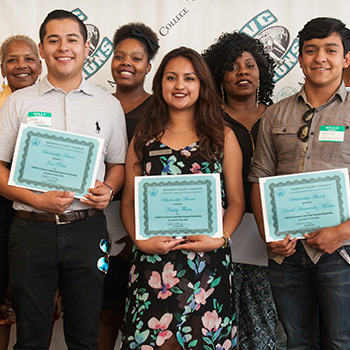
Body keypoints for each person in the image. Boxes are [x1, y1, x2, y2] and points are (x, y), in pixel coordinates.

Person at [0, 9, 127, 350]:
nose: (63, 47)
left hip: (86, 229)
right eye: (53, 40)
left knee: (85, 337)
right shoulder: (18, 102)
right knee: (30, 338)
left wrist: (109, 188)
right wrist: (37, 199)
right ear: (42, 49)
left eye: (72, 39)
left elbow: (118, 164)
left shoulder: (108, 104)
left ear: (87, 48)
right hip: (31, 229)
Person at [120, 46, 245, 350]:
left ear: (202, 85)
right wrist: (139, 239)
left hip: (206, 263)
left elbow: (238, 201)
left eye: (189, 78)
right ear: (159, 83)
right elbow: (128, 202)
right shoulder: (143, 137)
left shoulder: (222, 136)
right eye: (171, 77)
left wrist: (221, 238)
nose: (179, 86)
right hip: (152, 262)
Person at [249, 17, 350, 349]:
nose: (320, 58)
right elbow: (259, 180)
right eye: (311, 50)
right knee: (297, 341)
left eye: (330, 50)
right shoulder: (274, 115)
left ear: (346, 59)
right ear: (300, 57)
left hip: (342, 251)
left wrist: (342, 232)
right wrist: (268, 235)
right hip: (287, 253)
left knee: (340, 340)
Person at [203, 32, 279, 350]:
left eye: (250, 65)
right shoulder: (206, 122)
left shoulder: (278, 116)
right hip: (223, 232)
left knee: (266, 326)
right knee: (221, 323)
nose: (243, 72)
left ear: (261, 72)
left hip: (272, 237)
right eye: (233, 67)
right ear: (219, 75)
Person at [98, 22, 159, 350]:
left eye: (136, 58)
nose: (126, 63)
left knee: (135, 313)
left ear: (149, 66)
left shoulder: (161, 111)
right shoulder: (96, 105)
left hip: (142, 226)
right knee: (103, 311)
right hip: (95, 222)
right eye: (119, 56)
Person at [0, 34, 42, 349]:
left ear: (40, 64)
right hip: (1, 214)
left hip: (38, 217)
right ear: (2, 69)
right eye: (12, 60)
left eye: (28, 58)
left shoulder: (58, 104)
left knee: (32, 305)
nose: (21, 66)